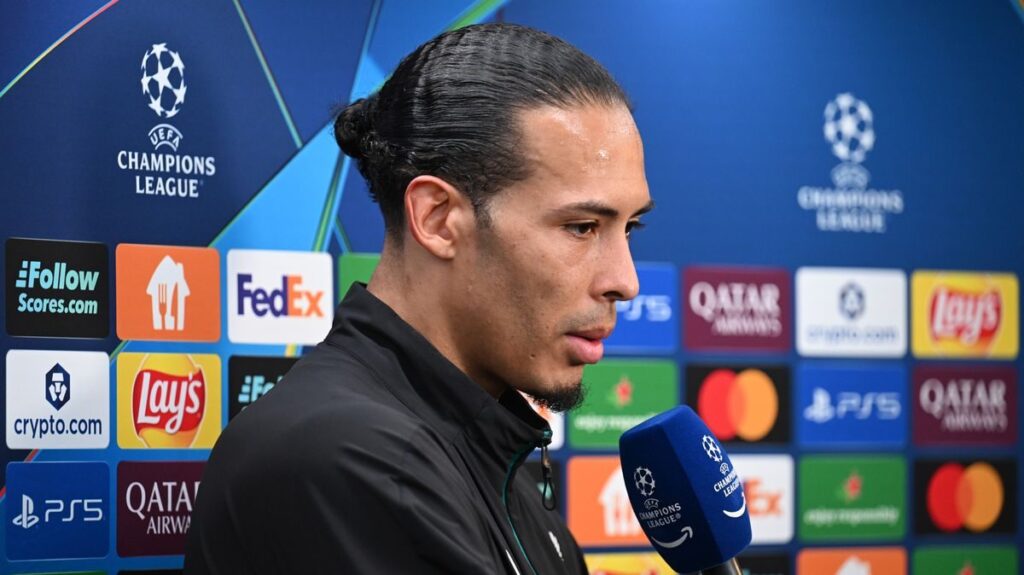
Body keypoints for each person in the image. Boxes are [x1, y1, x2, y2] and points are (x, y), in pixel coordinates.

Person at [184, 22, 652, 574]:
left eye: (630, 229)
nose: (625, 280)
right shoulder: (347, 460)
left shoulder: (492, 457)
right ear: (437, 219)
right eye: (581, 227)